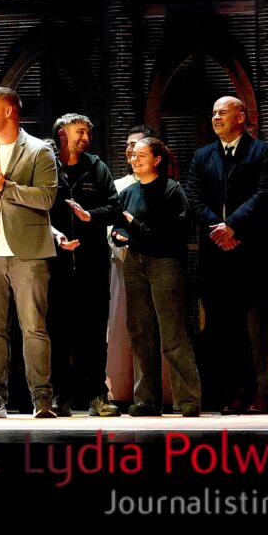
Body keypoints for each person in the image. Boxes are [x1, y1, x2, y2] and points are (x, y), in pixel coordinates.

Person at [0, 87, 60, 418]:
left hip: (28, 250)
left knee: (34, 326)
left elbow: (46, 197)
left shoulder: (39, 150)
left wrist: (8, 186)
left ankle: (41, 397)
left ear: (8, 111)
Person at [86, 135, 201, 417]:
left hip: (165, 263)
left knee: (173, 332)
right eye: (133, 155)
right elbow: (119, 225)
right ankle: (146, 399)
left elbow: (175, 232)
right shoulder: (128, 192)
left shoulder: (172, 190)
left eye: (141, 155)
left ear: (157, 160)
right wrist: (119, 233)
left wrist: (134, 226)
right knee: (140, 332)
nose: (134, 159)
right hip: (135, 263)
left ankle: (188, 399)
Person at [184, 96, 268, 414]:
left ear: (240, 117)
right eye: (213, 113)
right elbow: (193, 197)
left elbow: (265, 193)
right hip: (216, 253)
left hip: (252, 251)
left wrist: (233, 226)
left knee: (256, 329)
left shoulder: (262, 151)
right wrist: (217, 227)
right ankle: (232, 393)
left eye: (222, 113)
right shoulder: (202, 155)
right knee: (223, 329)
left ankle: (261, 393)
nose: (215, 118)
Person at [50, 113, 117, 414]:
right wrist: (55, 235)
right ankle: (60, 396)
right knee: (58, 333)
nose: (86, 138)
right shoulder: (47, 166)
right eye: (79, 131)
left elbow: (114, 206)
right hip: (56, 264)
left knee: (95, 334)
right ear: (61, 135)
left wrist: (91, 216)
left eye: (88, 132)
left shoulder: (97, 166)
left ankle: (97, 396)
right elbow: (36, 211)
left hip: (93, 263)